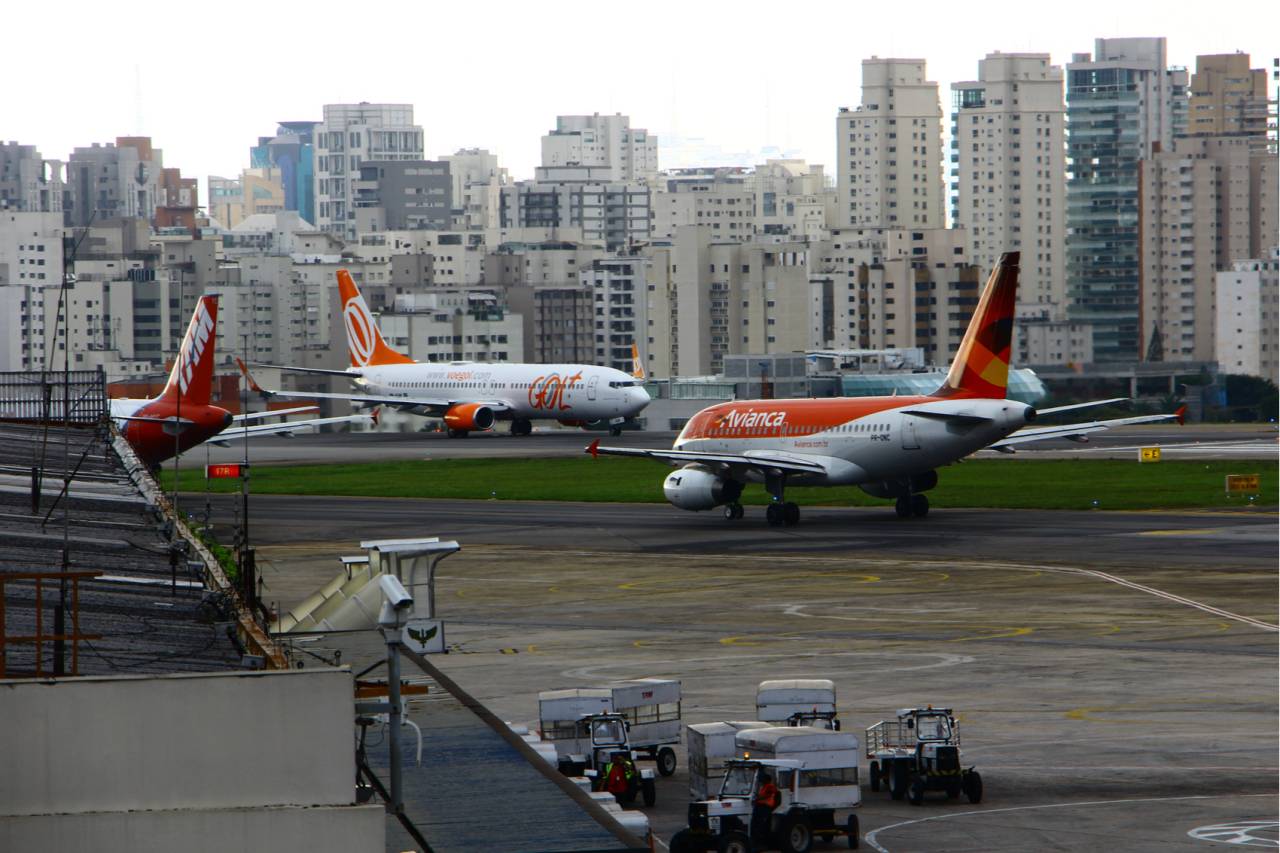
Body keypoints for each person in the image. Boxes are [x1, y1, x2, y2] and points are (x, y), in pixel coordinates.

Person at [752, 771, 781, 841]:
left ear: (767, 780)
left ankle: (759, 838)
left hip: (765, 806)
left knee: (759, 823)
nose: (761, 780)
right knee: (755, 821)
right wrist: (756, 797)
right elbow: (761, 795)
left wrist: (757, 799)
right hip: (761, 805)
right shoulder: (764, 786)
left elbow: (767, 795)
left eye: (763, 779)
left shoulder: (770, 786)